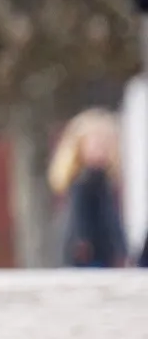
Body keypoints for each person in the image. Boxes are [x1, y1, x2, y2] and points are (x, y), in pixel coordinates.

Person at [49, 110, 130, 268]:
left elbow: (112, 219)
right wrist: (82, 242)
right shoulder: (82, 182)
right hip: (87, 255)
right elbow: (78, 217)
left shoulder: (105, 182)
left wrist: (121, 247)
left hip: (105, 253)